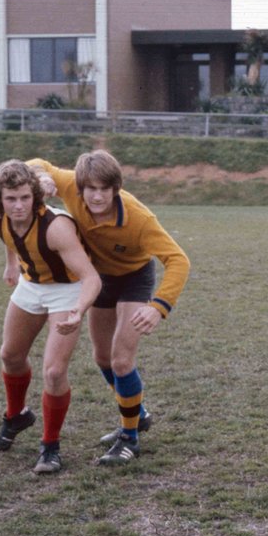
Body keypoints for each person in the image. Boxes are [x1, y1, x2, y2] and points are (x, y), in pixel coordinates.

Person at [29, 150, 191, 466]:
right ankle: (138, 414)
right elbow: (36, 163)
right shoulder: (70, 185)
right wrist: (40, 176)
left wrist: (159, 306)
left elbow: (179, 260)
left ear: (115, 188)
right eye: (91, 189)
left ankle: (129, 438)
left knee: (120, 359)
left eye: (105, 189)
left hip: (134, 278)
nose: (98, 196)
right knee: (101, 357)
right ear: (80, 188)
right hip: (99, 278)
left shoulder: (139, 218)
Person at [0, 160, 101, 474]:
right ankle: (16, 416)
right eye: (11, 199)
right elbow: (10, 239)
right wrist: (11, 264)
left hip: (67, 290)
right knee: (10, 355)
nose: (19, 205)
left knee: (53, 373)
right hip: (31, 285)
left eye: (25, 197)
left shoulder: (57, 226)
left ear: (35, 195)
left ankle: (50, 446)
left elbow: (92, 278)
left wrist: (78, 309)